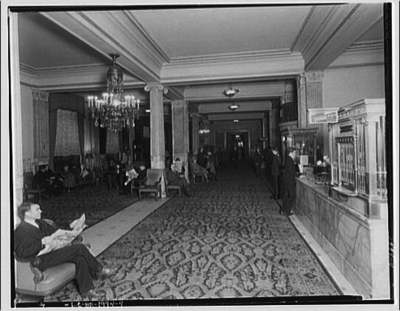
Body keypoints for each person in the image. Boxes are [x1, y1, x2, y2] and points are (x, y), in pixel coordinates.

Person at [14, 202, 112, 299]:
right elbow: (22, 252)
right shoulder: (21, 230)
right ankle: (99, 270)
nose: (41, 211)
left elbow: (56, 232)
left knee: (79, 258)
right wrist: (42, 243)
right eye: (37, 209)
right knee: (79, 248)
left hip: (50, 253)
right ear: (27, 213)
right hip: (39, 260)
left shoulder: (39, 223)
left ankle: (86, 290)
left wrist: (72, 229)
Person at [281, 148, 299, 216]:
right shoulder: (290, 160)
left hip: (287, 181)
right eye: (294, 153)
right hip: (289, 181)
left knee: (286, 196)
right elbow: (291, 171)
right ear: (291, 153)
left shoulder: (288, 159)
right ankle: (287, 211)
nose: (295, 154)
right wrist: (297, 174)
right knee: (292, 196)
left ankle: (284, 210)